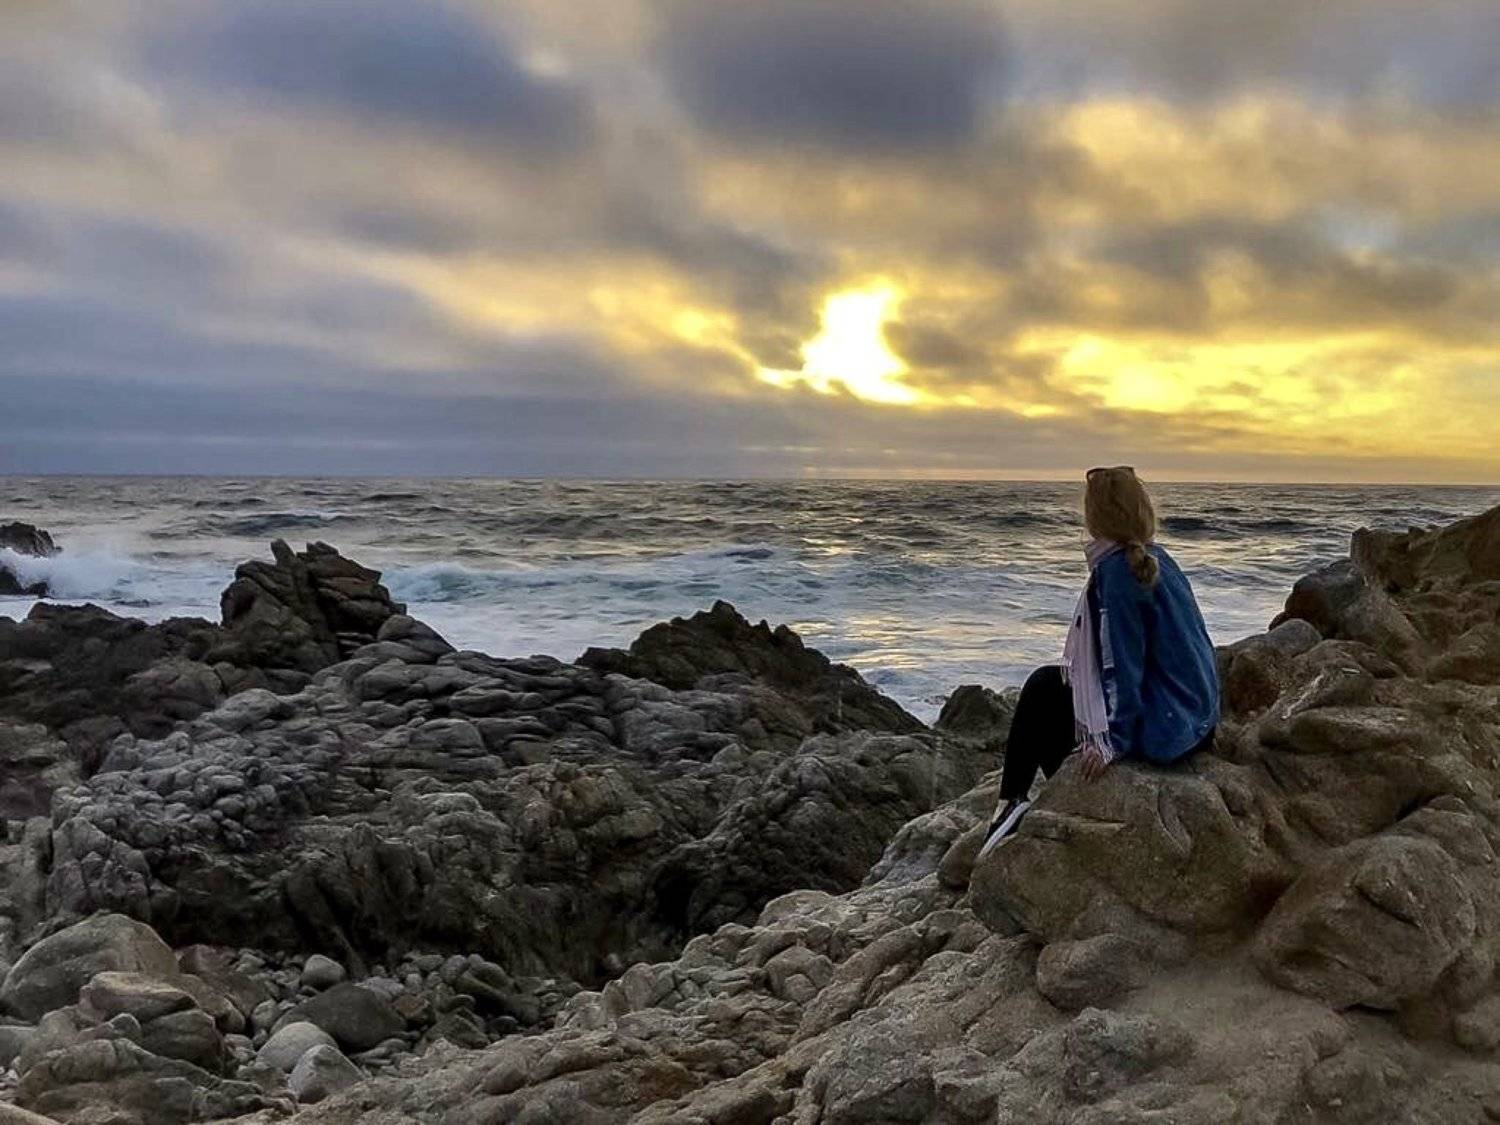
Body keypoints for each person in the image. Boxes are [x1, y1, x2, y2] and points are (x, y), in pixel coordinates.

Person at [977, 466, 1219, 859]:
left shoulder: (1117, 572)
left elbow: (1121, 665)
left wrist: (1112, 742)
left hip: (1168, 727)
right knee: (1055, 686)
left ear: (1095, 518)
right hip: (1196, 719)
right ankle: (1030, 800)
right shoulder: (1158, 558)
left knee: (1042, 689)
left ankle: (1015, 802)